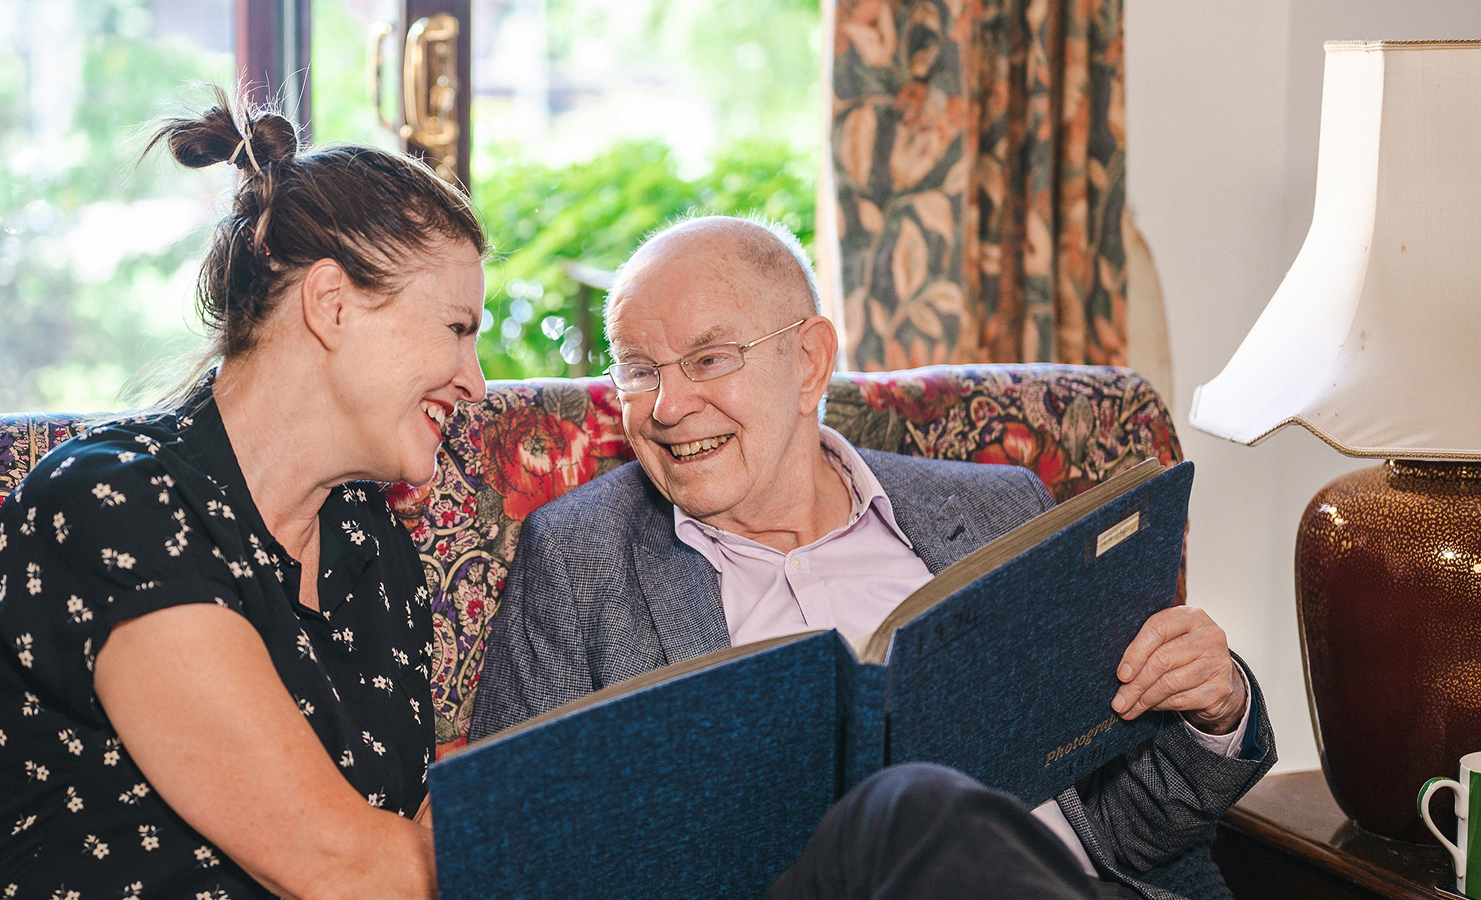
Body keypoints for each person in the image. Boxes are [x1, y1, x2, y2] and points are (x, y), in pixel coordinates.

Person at [469, 216, 1277, 900]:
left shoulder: (997, 512)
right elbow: (508, 848)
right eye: (640, 372)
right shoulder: (581, 560)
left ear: (810, 361)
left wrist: (1214, 712)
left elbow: (1131, 831)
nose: (669, 407)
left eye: (710, 360)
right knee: (910, 802)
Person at [0, 91, 486, 900]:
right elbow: (348, 866)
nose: (476, 384)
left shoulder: (371, 547)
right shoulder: (109, 508)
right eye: (456, 329)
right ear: (332, 304)